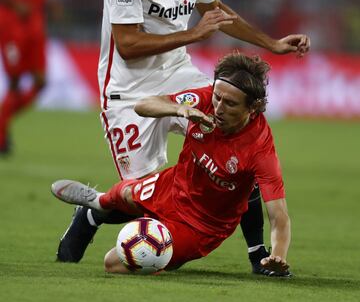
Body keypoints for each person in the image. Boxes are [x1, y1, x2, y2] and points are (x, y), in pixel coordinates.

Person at [56, 0, 309, 272]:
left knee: (240, 138)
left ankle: (260, 254)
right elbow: (128, 45)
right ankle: (90, 215)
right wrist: (192, 33)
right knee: (144, 200)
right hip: (127, 90)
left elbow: (215, 12)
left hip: (178, 76)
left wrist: (272, 43)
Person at [52, 52, 291, 276]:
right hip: (172, 187)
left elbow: (278, 215)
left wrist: (278, 256)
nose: (218, 107)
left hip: (200, 226)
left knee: (113, 263)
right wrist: (180, 110)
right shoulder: (204, 99)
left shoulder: (259, 149)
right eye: (217, 97)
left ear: (253, 108)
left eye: (230, 104)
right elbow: (143, 105)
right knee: (124, 193)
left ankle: (117, 217)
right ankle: (96, 205)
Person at [0, 0, 58, 154]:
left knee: (41, 81)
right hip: (11, 20)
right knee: (14, 80)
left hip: (35, 20)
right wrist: (15, 3)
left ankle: (2, 121)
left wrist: (51, 3)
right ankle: (2, 133)